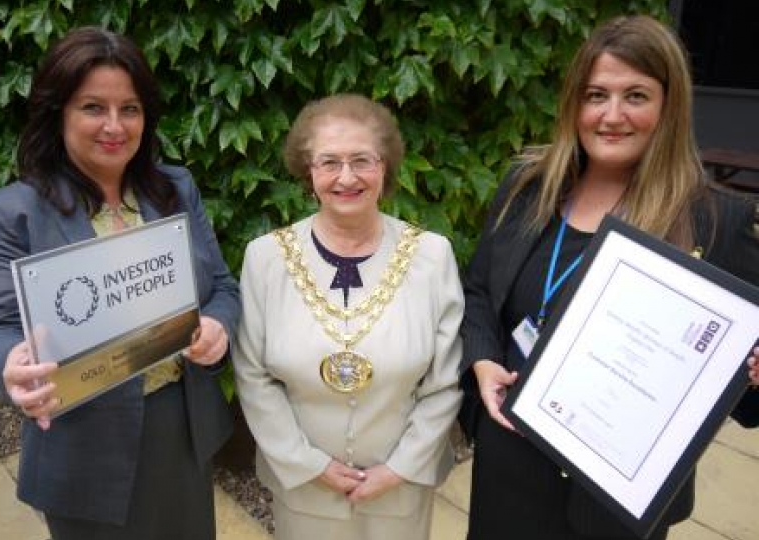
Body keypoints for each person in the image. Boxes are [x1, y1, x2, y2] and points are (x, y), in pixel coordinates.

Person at [459, 15, 759, 540]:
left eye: (636, 96)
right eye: (596, 95)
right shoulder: (528, 185)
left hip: (612, 507)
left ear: (669, 106)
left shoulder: (715, 222)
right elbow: (479, 292)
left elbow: (745, 396)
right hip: (509, 467)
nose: (612, 115)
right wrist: (483, 361)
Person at [0, 27, 239, 540]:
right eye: (93, 107)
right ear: (59, 113)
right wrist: (11, 364)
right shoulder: (13, 213)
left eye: (129, 109)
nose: (114, 126)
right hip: (84, 449)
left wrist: (219, 327)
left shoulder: (175, 189)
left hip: (182, 431)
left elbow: (223, 287)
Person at [233, 93, 464, 540]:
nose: (346, 177)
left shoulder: (433, 257)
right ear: (308, 171)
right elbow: (253, 375)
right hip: (304, 490)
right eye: (329, 162)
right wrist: (308, 464)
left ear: (385, 166)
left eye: (362, 160)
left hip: (399, 490)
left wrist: (399, 469)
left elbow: (445, 382)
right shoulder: (264, 259)